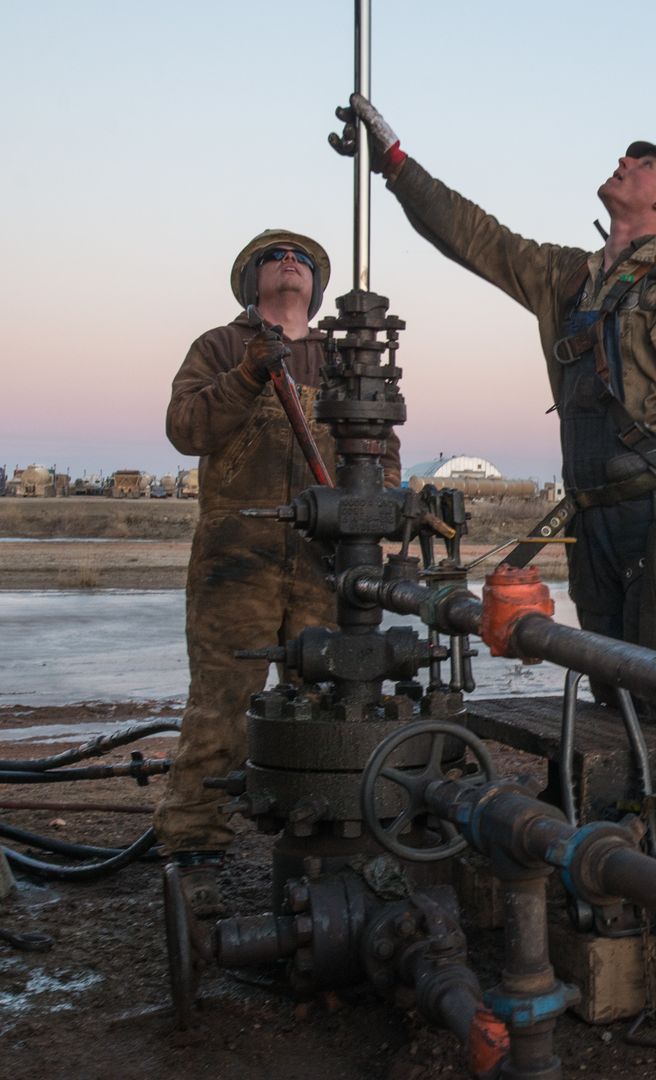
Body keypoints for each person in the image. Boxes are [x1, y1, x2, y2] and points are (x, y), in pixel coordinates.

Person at [333, 94, 656, 660]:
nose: (625, 162)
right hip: (589, 519)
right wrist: (396, 166)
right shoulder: (567, 277)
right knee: (610, 680)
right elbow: (477, 238)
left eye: (644, 163)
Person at [154, 229, 398, 915]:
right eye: (273, 256)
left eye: (301, 259)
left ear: (316, 289)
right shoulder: (221, 347)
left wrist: (389, 522)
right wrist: (248, 374)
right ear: (251, 282)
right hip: (239, 553)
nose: (288, 262)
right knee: (221, 704)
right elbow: (184, 428)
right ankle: (194, 847)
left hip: (328, 556)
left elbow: (380, 446)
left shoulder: (344, 355)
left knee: (329, 702)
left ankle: (322, 837)